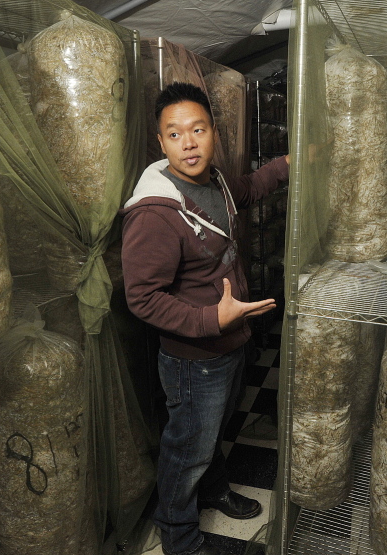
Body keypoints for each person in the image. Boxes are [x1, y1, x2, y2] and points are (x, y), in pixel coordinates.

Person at [121, 82, 289, 555]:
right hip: (193, 358)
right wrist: (212, 319)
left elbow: (250, 189)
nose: (188, 143)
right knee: (187, 451)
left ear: (214, 132)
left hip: (230, 343)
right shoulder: (155, 212)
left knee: (210, 434)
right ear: (161, 142)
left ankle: (213, 491)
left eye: (197, 130)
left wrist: (289, 163)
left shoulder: (215, 183)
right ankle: (178, 537)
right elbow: (142, 298)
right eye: (175, 134)